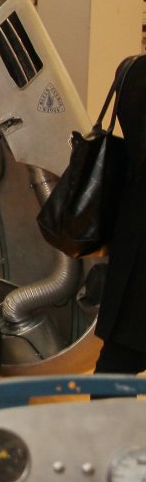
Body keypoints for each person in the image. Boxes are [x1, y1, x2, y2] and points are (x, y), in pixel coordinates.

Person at [97, 55, 146, 374]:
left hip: (133, 233)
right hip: (138, 247)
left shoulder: (133, 70)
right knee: (118, 362)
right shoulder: (138, 74)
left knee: (117, 362)